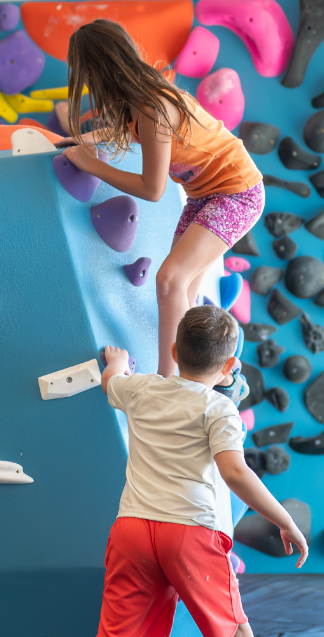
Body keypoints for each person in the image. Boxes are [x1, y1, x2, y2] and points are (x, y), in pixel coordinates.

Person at [75, 305, 308, 637]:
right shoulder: (219, 409)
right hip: (190, 534)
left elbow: (111, 381)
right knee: (236, 635)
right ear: (231, 364)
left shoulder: (141, 388)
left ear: (175, 351)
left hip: (132, 529)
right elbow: (236, 473)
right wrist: (284, 519)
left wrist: (114, 361)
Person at [57, 20, 264, 379]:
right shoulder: (137, 102)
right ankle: (206, 375)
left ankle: (171, 385)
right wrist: (85, 143)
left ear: (99, 69)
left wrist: (92, 165)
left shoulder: (154, 106)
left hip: (237, 192)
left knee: (169, 281)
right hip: (205, 194)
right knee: (185, 295)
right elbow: (122, 130)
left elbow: (153, 190)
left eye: (85, 74)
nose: (86, 84)